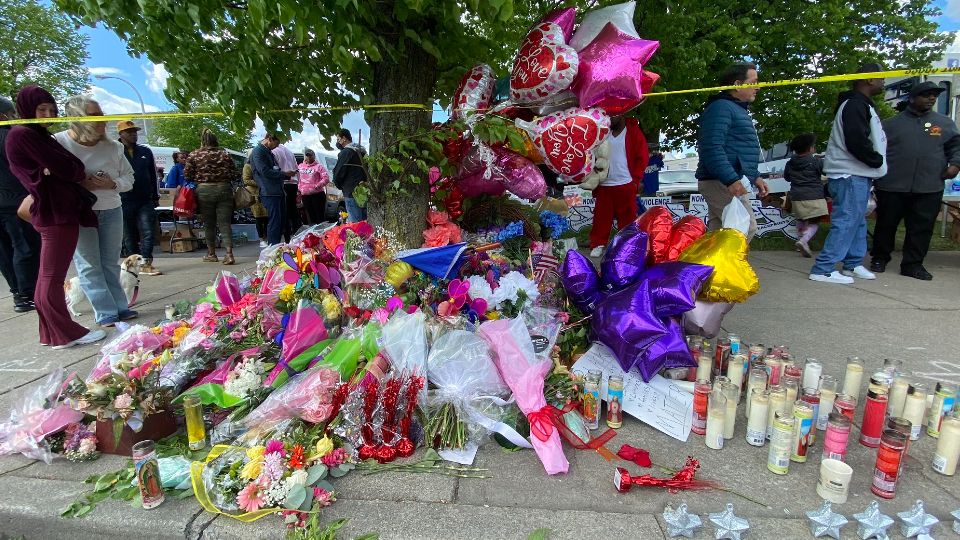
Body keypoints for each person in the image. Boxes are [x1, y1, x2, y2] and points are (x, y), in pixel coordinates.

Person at [4, 85, 105, 349]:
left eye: (51, 109)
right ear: (27, 110)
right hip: (55, 211)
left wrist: (61, 169)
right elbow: (71, 169)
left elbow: (70, 168)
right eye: (41, 109)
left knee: (48, 275)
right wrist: (60, 169)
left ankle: (53, 332)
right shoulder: (23, 134)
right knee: (52, 275)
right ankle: (66, 333)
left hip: (57, 208)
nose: (47, 114)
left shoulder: (35, 135)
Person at [54, 95, 138, 327]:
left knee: (110, 262)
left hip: (111, 208)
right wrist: (81, 184)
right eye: (94, 116)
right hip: (79, 212)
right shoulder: (58, 143)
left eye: (101, 114)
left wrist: (112, 184)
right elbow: (50, 179)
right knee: (89, 264)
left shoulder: (114, 147)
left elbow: (129, 178)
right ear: (77, 119)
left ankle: (121, 307)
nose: (103, 120)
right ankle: (105, 311)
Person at [870, 81, 960, 281]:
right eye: (926, 94)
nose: (932, 98)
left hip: (929, 185)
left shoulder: (944, 123)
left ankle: (913, 264)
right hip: (892, 184)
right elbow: (876, 150)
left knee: (922, 227)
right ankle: (879, 258)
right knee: (886, 224)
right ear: (911, 98)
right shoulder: (890, 124)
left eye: (934, 95)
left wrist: (955, 164)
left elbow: (956, 147)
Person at [810, 63, 887, 284]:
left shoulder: (859, 104)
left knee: (857, 220)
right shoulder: (854, 105)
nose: (884, 82)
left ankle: (852, 264)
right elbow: (856, 140)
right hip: (849, 173)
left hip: (856, 173)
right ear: (869, 79)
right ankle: (823, 268)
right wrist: (876, 160)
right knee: (847, 220)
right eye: (881, 77)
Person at [695, 62, 769, 240]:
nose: (757, 87)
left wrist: (755, 175)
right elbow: (711, 147)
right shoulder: (721, 108)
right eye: (753, 82)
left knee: (719, 234)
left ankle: (713, 267)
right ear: (737, 85)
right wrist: (731, 179)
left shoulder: (733, 109)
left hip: (726, 179)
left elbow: (737, 150)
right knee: (744, 228)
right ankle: (727, 267)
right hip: (721, 181)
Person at [0, 96, 40, 313]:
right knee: (25, 248)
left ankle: (18, 292)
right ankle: (27, 293)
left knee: (6, 252)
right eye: (12, 113)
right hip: (16, 203)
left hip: (7, 205)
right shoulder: (10, 137)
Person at [588, 115, 649, 257]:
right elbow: (591, 153)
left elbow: (642, 156)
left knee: (627, 218)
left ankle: (626, 244)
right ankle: (598, 244)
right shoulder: (602, 132)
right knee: (601, 217)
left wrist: (636, 179)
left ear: (622, 116)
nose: (610, 119)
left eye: (613, 116)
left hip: (626, 182)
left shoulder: (633, 131)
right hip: (605, 183)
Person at [184, 129, 237, 265]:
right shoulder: (225, 154)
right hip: (224, 189)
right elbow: (234, 174)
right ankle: (229, 253)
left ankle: (211, 253)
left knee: (209, 224)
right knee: (225, 223)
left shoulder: (194, 154)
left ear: (202, 140)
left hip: (204, 191)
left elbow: (188, 175)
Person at [118, 120, 161, 276]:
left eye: (135, 132)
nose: (133, 135)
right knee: (129, 234)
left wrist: (155, 196)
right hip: (123, 198)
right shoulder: (115, 151)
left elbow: (152, 174)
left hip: (144, 199)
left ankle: (146, 262)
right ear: (121, 134)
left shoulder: (145, 151)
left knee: (148, 231)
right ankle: (132, 263)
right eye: (129, 132)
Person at [783, 133, 827, 258]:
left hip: (796, 197)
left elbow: (787, 178)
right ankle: (803, 240)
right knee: (814, 221)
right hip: (814, 196)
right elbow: (825, 172)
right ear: (810, 148)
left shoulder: (790, 163)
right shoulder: (816, 161)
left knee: (801, 219)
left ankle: (800, 243)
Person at [251, 134, 292, 245]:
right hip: (269, 192)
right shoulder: (258, 151)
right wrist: (283, 174)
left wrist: (285, 174)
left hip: (278, 191)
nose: (276, 147)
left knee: (281, 221)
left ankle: (278, 245)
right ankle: (273, 248)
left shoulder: (269, 152)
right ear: (269, 139)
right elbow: (264, 171)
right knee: (274, 222)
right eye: (276, 143)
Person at [332, 129, 368, 223]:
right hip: (364, 191)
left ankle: (359, 237)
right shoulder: (362, 152)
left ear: (344, 138)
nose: (338, 142)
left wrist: (339, 185)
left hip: (351, 192)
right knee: (365, 222)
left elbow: (338, 173)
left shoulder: (346, 152)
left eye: (338, 139)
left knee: (355, 224)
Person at [272, 141, 300, 241]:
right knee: (294, 212)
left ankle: (288, 239)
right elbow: (297, 169)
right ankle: (298, 236)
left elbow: (274, 170)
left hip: (283, 183)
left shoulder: (274, 151)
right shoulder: (290, 152)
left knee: (285, 213)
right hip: (293, 184)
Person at [242, 149, 269, 247]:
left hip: (264, 193)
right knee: (258, 217)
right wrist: (259, 182)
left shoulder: (260, 165)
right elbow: (246, 180)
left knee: (266, 217)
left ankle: (267, 237)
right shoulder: (247, 166)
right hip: (254, 194)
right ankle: (261, 238)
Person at [298, 149, 330, 225]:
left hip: (317, 195)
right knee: (309, 218)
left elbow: (326, 178)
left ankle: (322, 234)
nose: (308, 157)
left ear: (314, 156)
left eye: (310, 155)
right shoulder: (300, 166)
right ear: (304, 156)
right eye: (307, 155)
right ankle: (312, 234)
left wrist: (317, 186)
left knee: (319, 217)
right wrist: (299, 189)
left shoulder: (319, 166)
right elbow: (298, 179)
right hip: (305, 195)